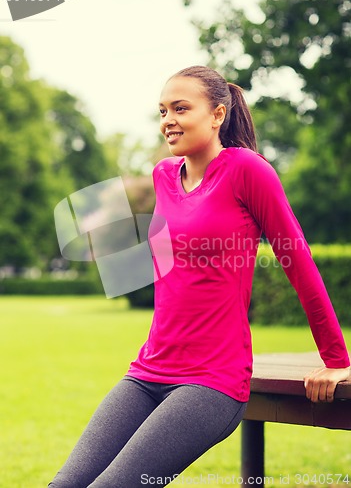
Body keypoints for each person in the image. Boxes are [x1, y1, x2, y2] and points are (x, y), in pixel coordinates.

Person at [48, 65, 350, 487]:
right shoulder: (163, 176)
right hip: (148, 371)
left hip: (211, 382)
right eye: (162, 111)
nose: (167, 120)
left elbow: (298, 263)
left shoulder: (249, 170)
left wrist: (337, 360)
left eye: (180, 108)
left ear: (217, 115)